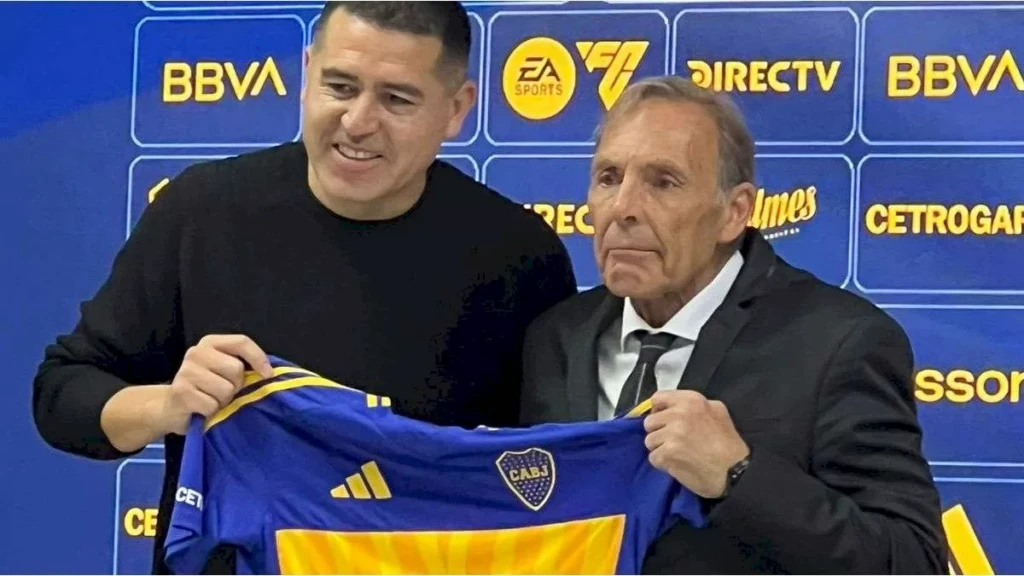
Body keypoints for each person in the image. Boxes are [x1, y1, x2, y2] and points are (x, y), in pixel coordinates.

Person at [32, 2, 576, 574]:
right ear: (308, 73)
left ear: (456, 109)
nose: (358, 122)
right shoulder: (201, 212)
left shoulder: (520, 257)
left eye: (397, 99)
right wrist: (168, 405)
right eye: (340, 86)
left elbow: (555, 476)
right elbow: (61, 395)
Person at [518, 76, 947, 574]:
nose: (623, 208)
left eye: (663, 182)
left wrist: (739, 475)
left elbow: (911, 559)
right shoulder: (556, 337)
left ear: (734, 212)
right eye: (609, 178)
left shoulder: (839, 343)